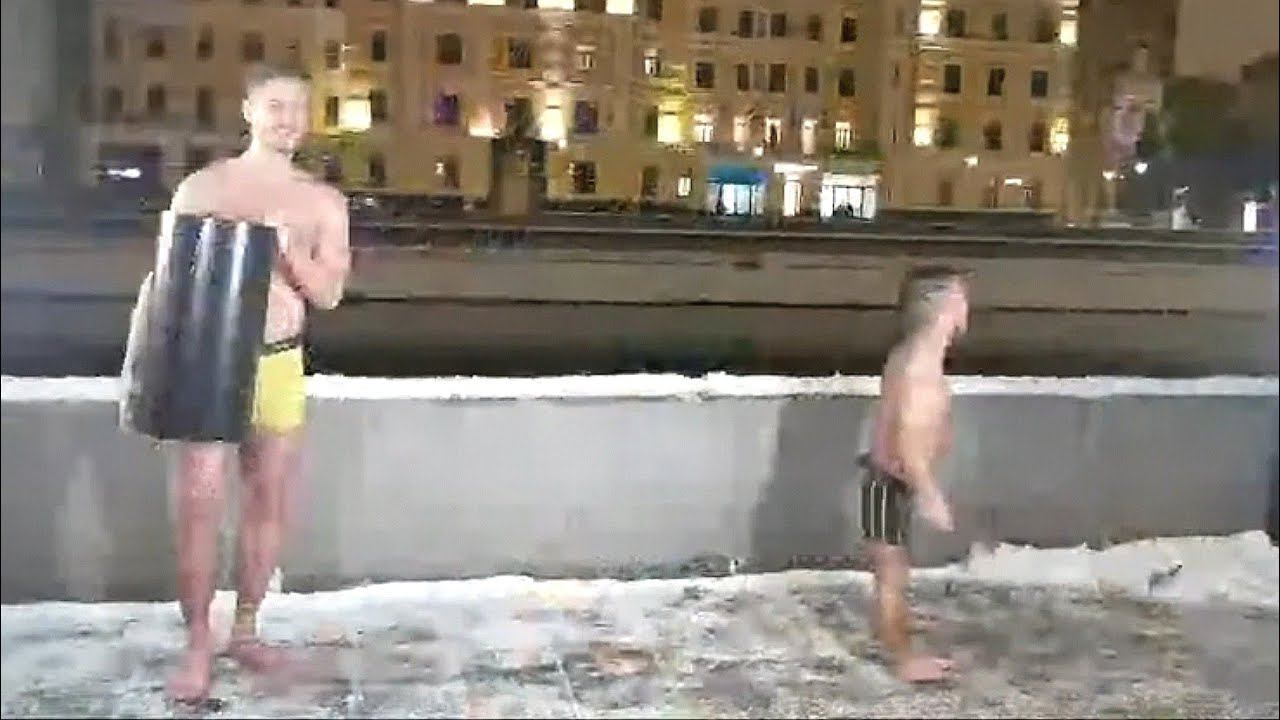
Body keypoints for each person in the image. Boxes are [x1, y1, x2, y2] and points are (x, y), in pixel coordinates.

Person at [151, 64, 351, 701]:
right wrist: (151, 372)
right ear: (248, 111)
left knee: (267, 502)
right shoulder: (204, 188)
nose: (289, 119)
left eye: (299, 108)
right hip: (208, 359)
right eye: (275, 106)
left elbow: (330, 294)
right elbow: (165, 287)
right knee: (200, 505)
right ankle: (197, 644)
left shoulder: (323, 202)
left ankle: (245, 630)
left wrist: (288, 253)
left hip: (279, 360)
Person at [861, 265, 969, 683]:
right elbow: (905, 437)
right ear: (944, 308)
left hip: (892, 481)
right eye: (960, 297)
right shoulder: (918, 365)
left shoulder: (911, 352)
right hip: (889, 483)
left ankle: (897, 621)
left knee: (896, 568)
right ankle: (902, 659)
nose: (966, 305)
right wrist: (929, 492)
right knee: (890, 574)